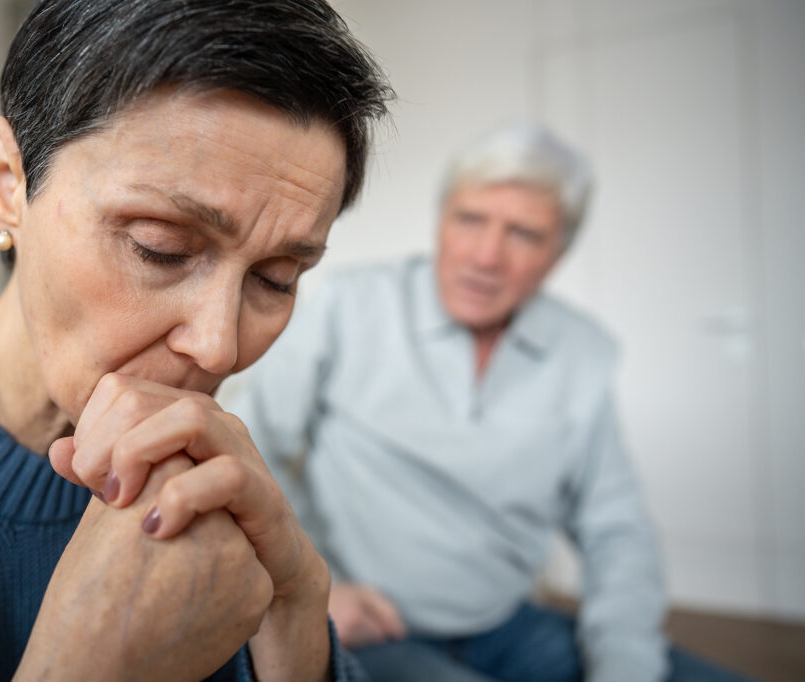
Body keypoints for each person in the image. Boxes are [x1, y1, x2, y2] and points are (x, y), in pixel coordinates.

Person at [0, 1, 391, 679]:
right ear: (8, 182)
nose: (219, 348)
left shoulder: (204, 483)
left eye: (277, 279)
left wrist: (299, 612)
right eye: (159, 249)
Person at [230, 123, 746, 682]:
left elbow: (616, 531)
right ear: (441, 219)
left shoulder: (583, 352)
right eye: (470, 220)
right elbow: (251, 450)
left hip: (507, 625)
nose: (486, 256)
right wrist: (309, 586)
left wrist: (625, 669)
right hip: (372, 624)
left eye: (524, 234)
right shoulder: (344, 306)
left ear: (559, 253)